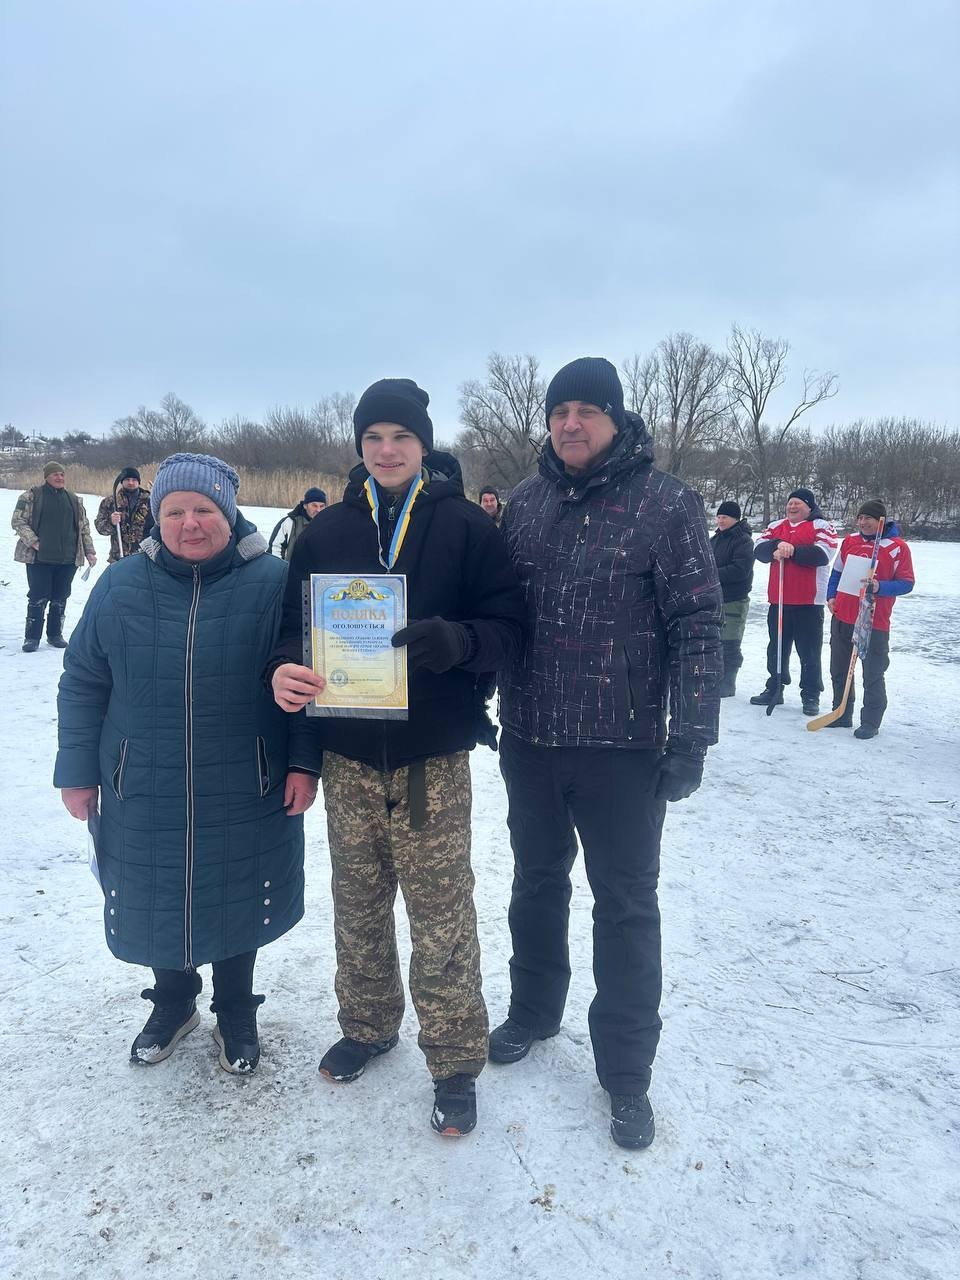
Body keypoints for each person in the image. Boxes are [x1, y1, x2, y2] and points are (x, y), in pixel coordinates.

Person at [269, 377, 525, 1138]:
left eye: (401, 438)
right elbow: (291, 630)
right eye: (374, 437)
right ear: (359, 446)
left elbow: (510, 627)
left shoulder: (465, 527)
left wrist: (462, 643)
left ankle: (452, 1060)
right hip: (348, 754)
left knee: (441, 911)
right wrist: (284, 670)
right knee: (357, 901)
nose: (386, 450)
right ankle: (369, 1024)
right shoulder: (324, 534)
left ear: (423, 445)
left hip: (430, 761)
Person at [489, 356, 723, 1151]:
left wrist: (689, 736)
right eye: (560, 410)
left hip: (623, 749)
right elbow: (497, 615)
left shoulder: (668, 505)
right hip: (529, 738)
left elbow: (698, 627)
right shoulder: (521, 505)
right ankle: (532, 1009)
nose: (571, 423)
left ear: (618, 420)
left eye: (588, 409)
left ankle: (626, 1073)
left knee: (625, 907)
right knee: (535, 881)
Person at [54, 453, 320, 1074]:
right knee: (157, 886)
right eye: (175, 510)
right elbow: (83, 681)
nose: (189, 523)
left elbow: (309, 682)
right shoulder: (121, 585)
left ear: (229, 514)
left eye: (204, 509)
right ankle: (173, 1002)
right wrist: (76, 769)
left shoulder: (275, 582)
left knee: (234, 887)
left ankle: (236, 1009)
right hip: (141, 779)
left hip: (247, 776)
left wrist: (304, 764)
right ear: (157, 516)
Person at [825, 499, 915, 739]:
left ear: (881, 521)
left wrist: (879, 586)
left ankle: (871, 720)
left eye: (869, 519)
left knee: (873, 672)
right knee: (840, 669)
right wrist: (831, 596)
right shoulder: (850, 542)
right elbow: (837, 573)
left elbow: (906, 583)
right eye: (860, 518)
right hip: (843, 614)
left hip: (874, 620)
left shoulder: (897, 547)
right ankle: (841, 712)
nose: (863, 523)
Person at [750, 488, 838, 715]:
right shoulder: (775, 526)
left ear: (809, 507)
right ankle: (775, 687)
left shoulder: (821, 526)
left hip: (808, 601)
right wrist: (776, 545)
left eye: (798, 503)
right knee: (776, 648)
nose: (792, 507)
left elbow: (822, 555)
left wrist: (792, 551)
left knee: (808, 651)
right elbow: (758, 549)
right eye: (790, 503)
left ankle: (810, 693)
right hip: (778, 599)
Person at [11, 460, 97, 652]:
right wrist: (33, 541)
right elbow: (18, 521)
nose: (60, 477)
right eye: (55, 474)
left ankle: (55, 635)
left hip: (68, 559)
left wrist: (89, 551)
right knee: (38, 597)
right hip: (39, 558)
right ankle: (32, 637)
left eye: (62, 474)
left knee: (60, 597)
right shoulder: (32, 496)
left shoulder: (74, 500)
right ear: (47, 477)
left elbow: (84, 529)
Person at [710, 500, 754, 697]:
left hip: (734, 599)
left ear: (735, 518)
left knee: (730, 642)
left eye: (724, 517)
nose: (720, 520)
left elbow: (740, 570)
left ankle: (728, 682)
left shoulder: (743, 540)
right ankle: (715, 677)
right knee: (715, 640)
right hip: (714, 597)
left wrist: (710, 573)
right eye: (718, 517)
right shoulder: (715, 539)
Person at [94, 466, 153, 562]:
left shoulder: (150, 502)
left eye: (134, 479)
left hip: (144, 557)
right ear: (121, 481)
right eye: (127, 479)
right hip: (118, 558)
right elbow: (100, 528)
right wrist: (111, 522)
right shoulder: (110, 502)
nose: (130, 482)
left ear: (138, 482)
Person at [268, 488, 327, 560]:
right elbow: (275, 548)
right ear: (305, 505)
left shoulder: (329, 525)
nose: (318, 510)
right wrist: (281, 569)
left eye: (322, 506)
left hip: (317, 570)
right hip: (290, 569)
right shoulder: (289, 522)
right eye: (314, 505)